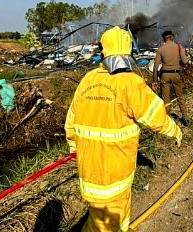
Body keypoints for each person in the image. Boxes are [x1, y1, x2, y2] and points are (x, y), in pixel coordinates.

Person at [65, 26, 183, 232]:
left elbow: (71, 121)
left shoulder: (87, 80)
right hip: (115, 171)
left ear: (104, 50)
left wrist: (75, 148)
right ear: (128, 50)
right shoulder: (130, 82)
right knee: (111, 222)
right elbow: (155, 116)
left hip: (89, 170)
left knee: (97, 216)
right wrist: (174, 130)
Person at [152, 30, 190, 124]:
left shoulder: (160, 49)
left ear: (163, 39)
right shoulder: (178, 46)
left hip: (164, 75)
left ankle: (168, 121)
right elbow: (185, 62)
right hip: (176, 74)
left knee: (166, 99)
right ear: (172, 37)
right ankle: (185, 118)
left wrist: (154, 80)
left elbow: (156, 66)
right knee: (179, 97)